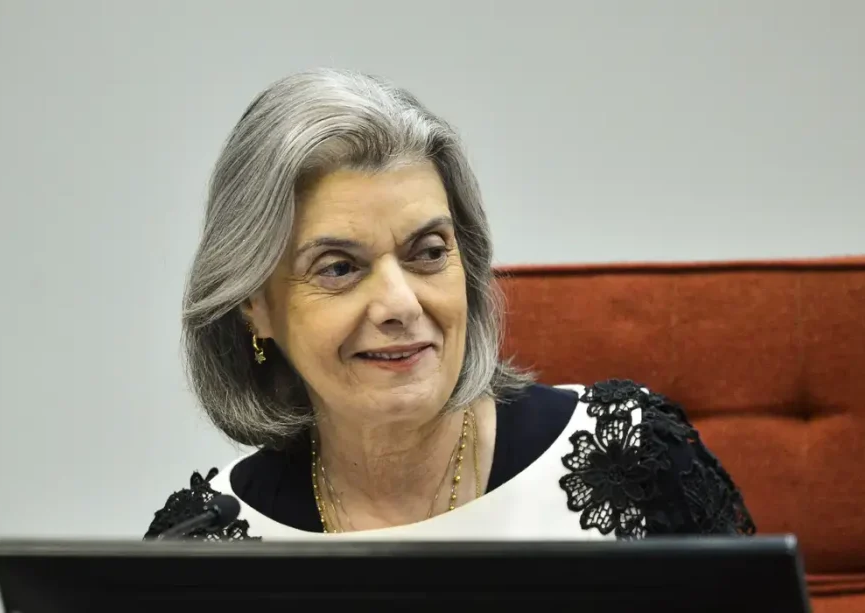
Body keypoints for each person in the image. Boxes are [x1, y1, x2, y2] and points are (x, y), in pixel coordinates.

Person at [144, 69, 756, 541]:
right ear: (254, 306)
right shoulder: (204, 543)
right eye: (338, 268)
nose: (399, 304)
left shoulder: (634, 457)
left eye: (428, 252)